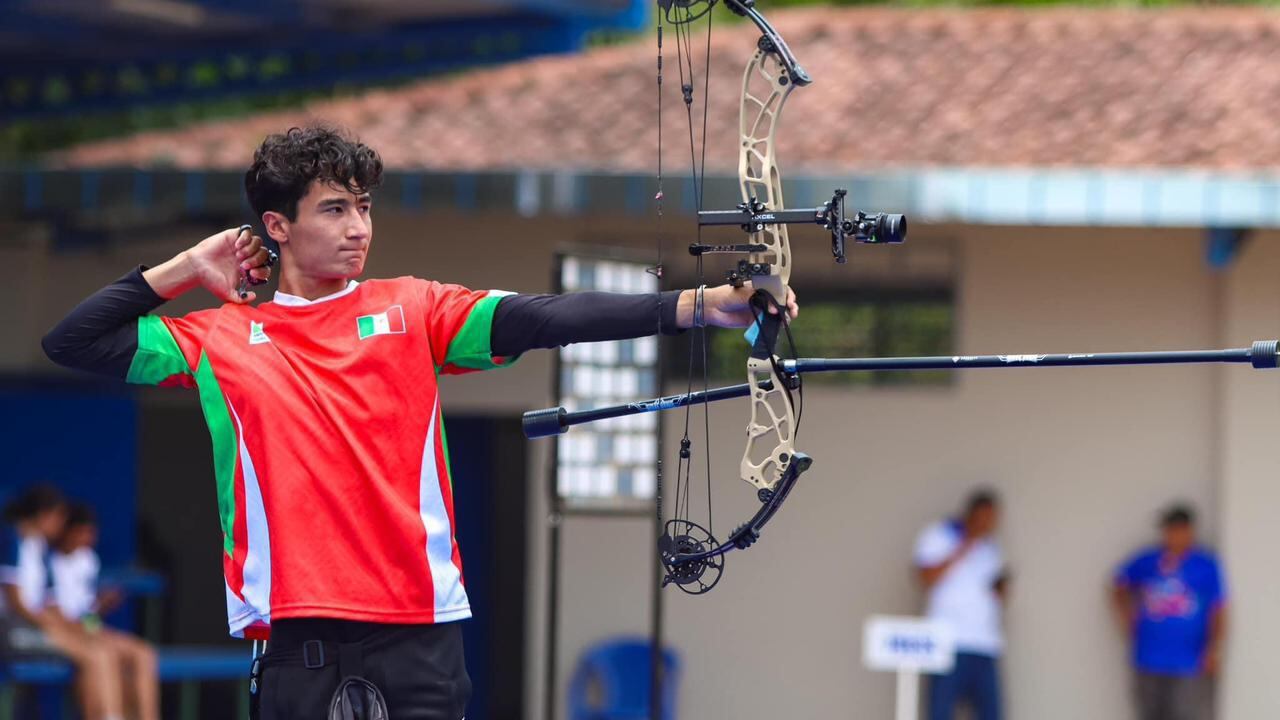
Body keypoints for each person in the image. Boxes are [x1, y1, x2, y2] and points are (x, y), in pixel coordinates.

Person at [41, 125, 798, 719]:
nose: (358, 227)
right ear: (277, 224)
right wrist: (185, 268)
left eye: (364, 206)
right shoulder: (219, 338)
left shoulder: (413, 308)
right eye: (334, 208)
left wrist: (700, 305)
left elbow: (543, 317)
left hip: (420, 625)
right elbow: (74, 342)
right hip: (294, 633)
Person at [1, 484, 129, 720]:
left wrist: (73, 624)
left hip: (39, 628)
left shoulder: (41, 549)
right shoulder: (13, 542)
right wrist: (52, 624)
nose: (60, 523)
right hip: (14, 633)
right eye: (58, 516)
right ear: (43, 515)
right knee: (94, 656)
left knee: (101, 651)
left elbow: (51, 605)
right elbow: (17, 603)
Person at [1113, 504, 1226, 720]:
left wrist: (1214, 649)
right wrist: (1126, 617)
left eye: (1176, 529)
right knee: (1149, 712)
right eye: (1168, 529)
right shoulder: (1148, 561)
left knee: (1184, 714)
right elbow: (1119, 585)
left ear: (1188, 530)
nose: (1171, 535)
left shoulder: (1205, 565)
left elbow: (1219, 610)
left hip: (1188, 659)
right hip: (1148, 655)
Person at [52, 502, 159, 720]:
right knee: (104, 655)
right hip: (64, 632)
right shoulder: (49, 560)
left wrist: (102, 604)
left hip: (89, 628)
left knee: (143, 653)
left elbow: (88, 614)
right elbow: (52, 614)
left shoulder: (87, 560)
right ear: (68, 531)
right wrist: (84, 627)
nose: (88, 538)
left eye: (91, 532)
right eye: (83, 532)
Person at [913, 489, 1007, 720]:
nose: (988, 523)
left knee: (990, 713)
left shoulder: (991, 547)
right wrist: (965, 545)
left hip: (985, 644)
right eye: (985, 517)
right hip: (949, 641)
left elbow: (991, 591)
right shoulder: (940, 535)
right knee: (941, 711)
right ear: (972, 514)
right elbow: (926, 577)